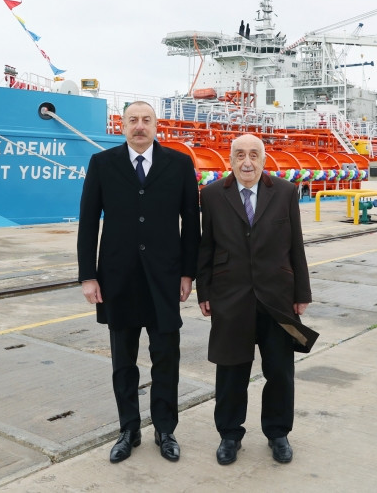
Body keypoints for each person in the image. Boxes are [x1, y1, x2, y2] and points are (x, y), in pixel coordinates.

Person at [77, 101, 200, 464]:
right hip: (118, 279)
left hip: (165, 279)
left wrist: (188, 273)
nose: (140, 126)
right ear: (123, 126)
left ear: (156, 126)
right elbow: (88, 222)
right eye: (133, 120)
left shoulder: (179, 164)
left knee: (166, 359)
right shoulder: (102, 164)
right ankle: (128, 430)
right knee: (123, 362)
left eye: (147, 120)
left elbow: (191, 224)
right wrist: (88, 275)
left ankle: (165, 429)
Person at [196, 134, 318, 466]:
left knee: (280, 371)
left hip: (278, 297)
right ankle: (229, 435)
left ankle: (278, 433)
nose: (246, 162)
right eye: (239, 155)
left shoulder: (285, 191)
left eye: (253, 155)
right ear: (230, 160)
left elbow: (296, 245)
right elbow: (206, 247)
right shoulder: (212, 195)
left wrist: (302, 293)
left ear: (264, 160)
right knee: (231, 370)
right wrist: (204, 291)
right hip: (229, 296)